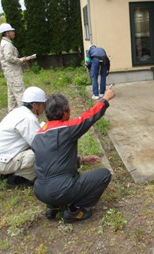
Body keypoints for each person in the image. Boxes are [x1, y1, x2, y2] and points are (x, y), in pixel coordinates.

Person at [31, 85, 115, 223]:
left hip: (39, 191)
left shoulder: (38, 135)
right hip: (61, 190)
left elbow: (52, 161)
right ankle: (76, 210)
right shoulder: (66, 129)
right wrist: (106, 98)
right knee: (103, 175)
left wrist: (81, 160)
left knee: (54, 180)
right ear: (66, 112)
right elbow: (90, 116)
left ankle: (53, 207)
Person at [0, 86, 46, 188]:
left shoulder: (18, 112)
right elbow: (40, 145)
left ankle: (11, 170)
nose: (44, 107)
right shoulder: (28, 119)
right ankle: (20, 179)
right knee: (39, 154)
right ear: (35, 105)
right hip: (2, 162)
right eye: (42, 104)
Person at [0, 23, 28, 112]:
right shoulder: (7, 44)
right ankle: (24, 114)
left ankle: (11, 114)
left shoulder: (4, 43)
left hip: (9, 72)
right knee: (20, 93)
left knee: (11, 95)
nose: (13, 32)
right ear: (7, 33)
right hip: (13, 73)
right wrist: (21, 60)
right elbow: (9, 57)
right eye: (12, 31)